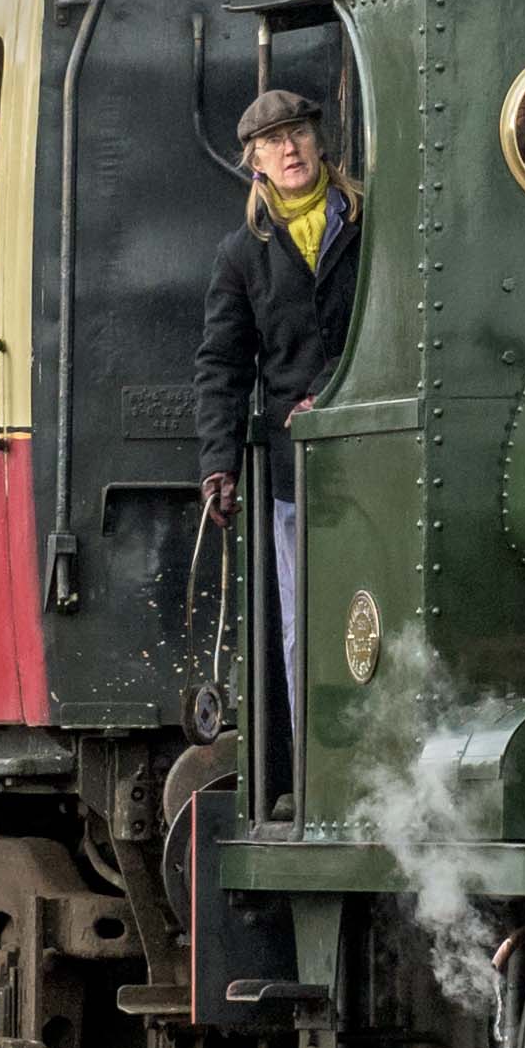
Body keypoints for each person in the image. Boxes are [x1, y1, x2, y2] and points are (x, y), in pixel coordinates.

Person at [193, 88, 359, 803]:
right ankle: (322, 776)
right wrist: (218, 465)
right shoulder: (242, 255)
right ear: (254, 163)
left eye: (297, 134)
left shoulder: (369, 223)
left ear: (320, 143)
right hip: (297, 472)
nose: (289, 149)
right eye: (273, 142)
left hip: (377, 452)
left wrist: (341, 387)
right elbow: (222, 366)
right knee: (304, 632)